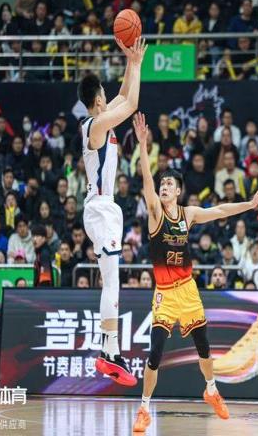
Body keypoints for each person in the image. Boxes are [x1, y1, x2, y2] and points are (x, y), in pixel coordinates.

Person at [132, 111, 258, 431]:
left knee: (204, 346)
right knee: (155, 352)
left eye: (169, 183)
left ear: (178, 191)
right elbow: (147, 183)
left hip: (187, 289)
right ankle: (144, 408)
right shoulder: (155, 214)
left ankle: (211, 390)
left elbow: (219, 210)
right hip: (165, 294)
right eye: (162, 183)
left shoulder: (188, 214)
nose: (164, 187)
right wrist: (142, 145)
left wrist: (249, 205)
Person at [77, 36, 146, 387]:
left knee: (112, 280)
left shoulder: (102, 120)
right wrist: (137, 64)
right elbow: (131, 103)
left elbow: (123, 95)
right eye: (104, 94)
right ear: (98, 100)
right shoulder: (96, 126)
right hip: (101, 208)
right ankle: (110, 352)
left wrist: (132, 62)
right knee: (112, 282)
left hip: (104, 209)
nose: (109, 96)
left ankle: (111, 351)